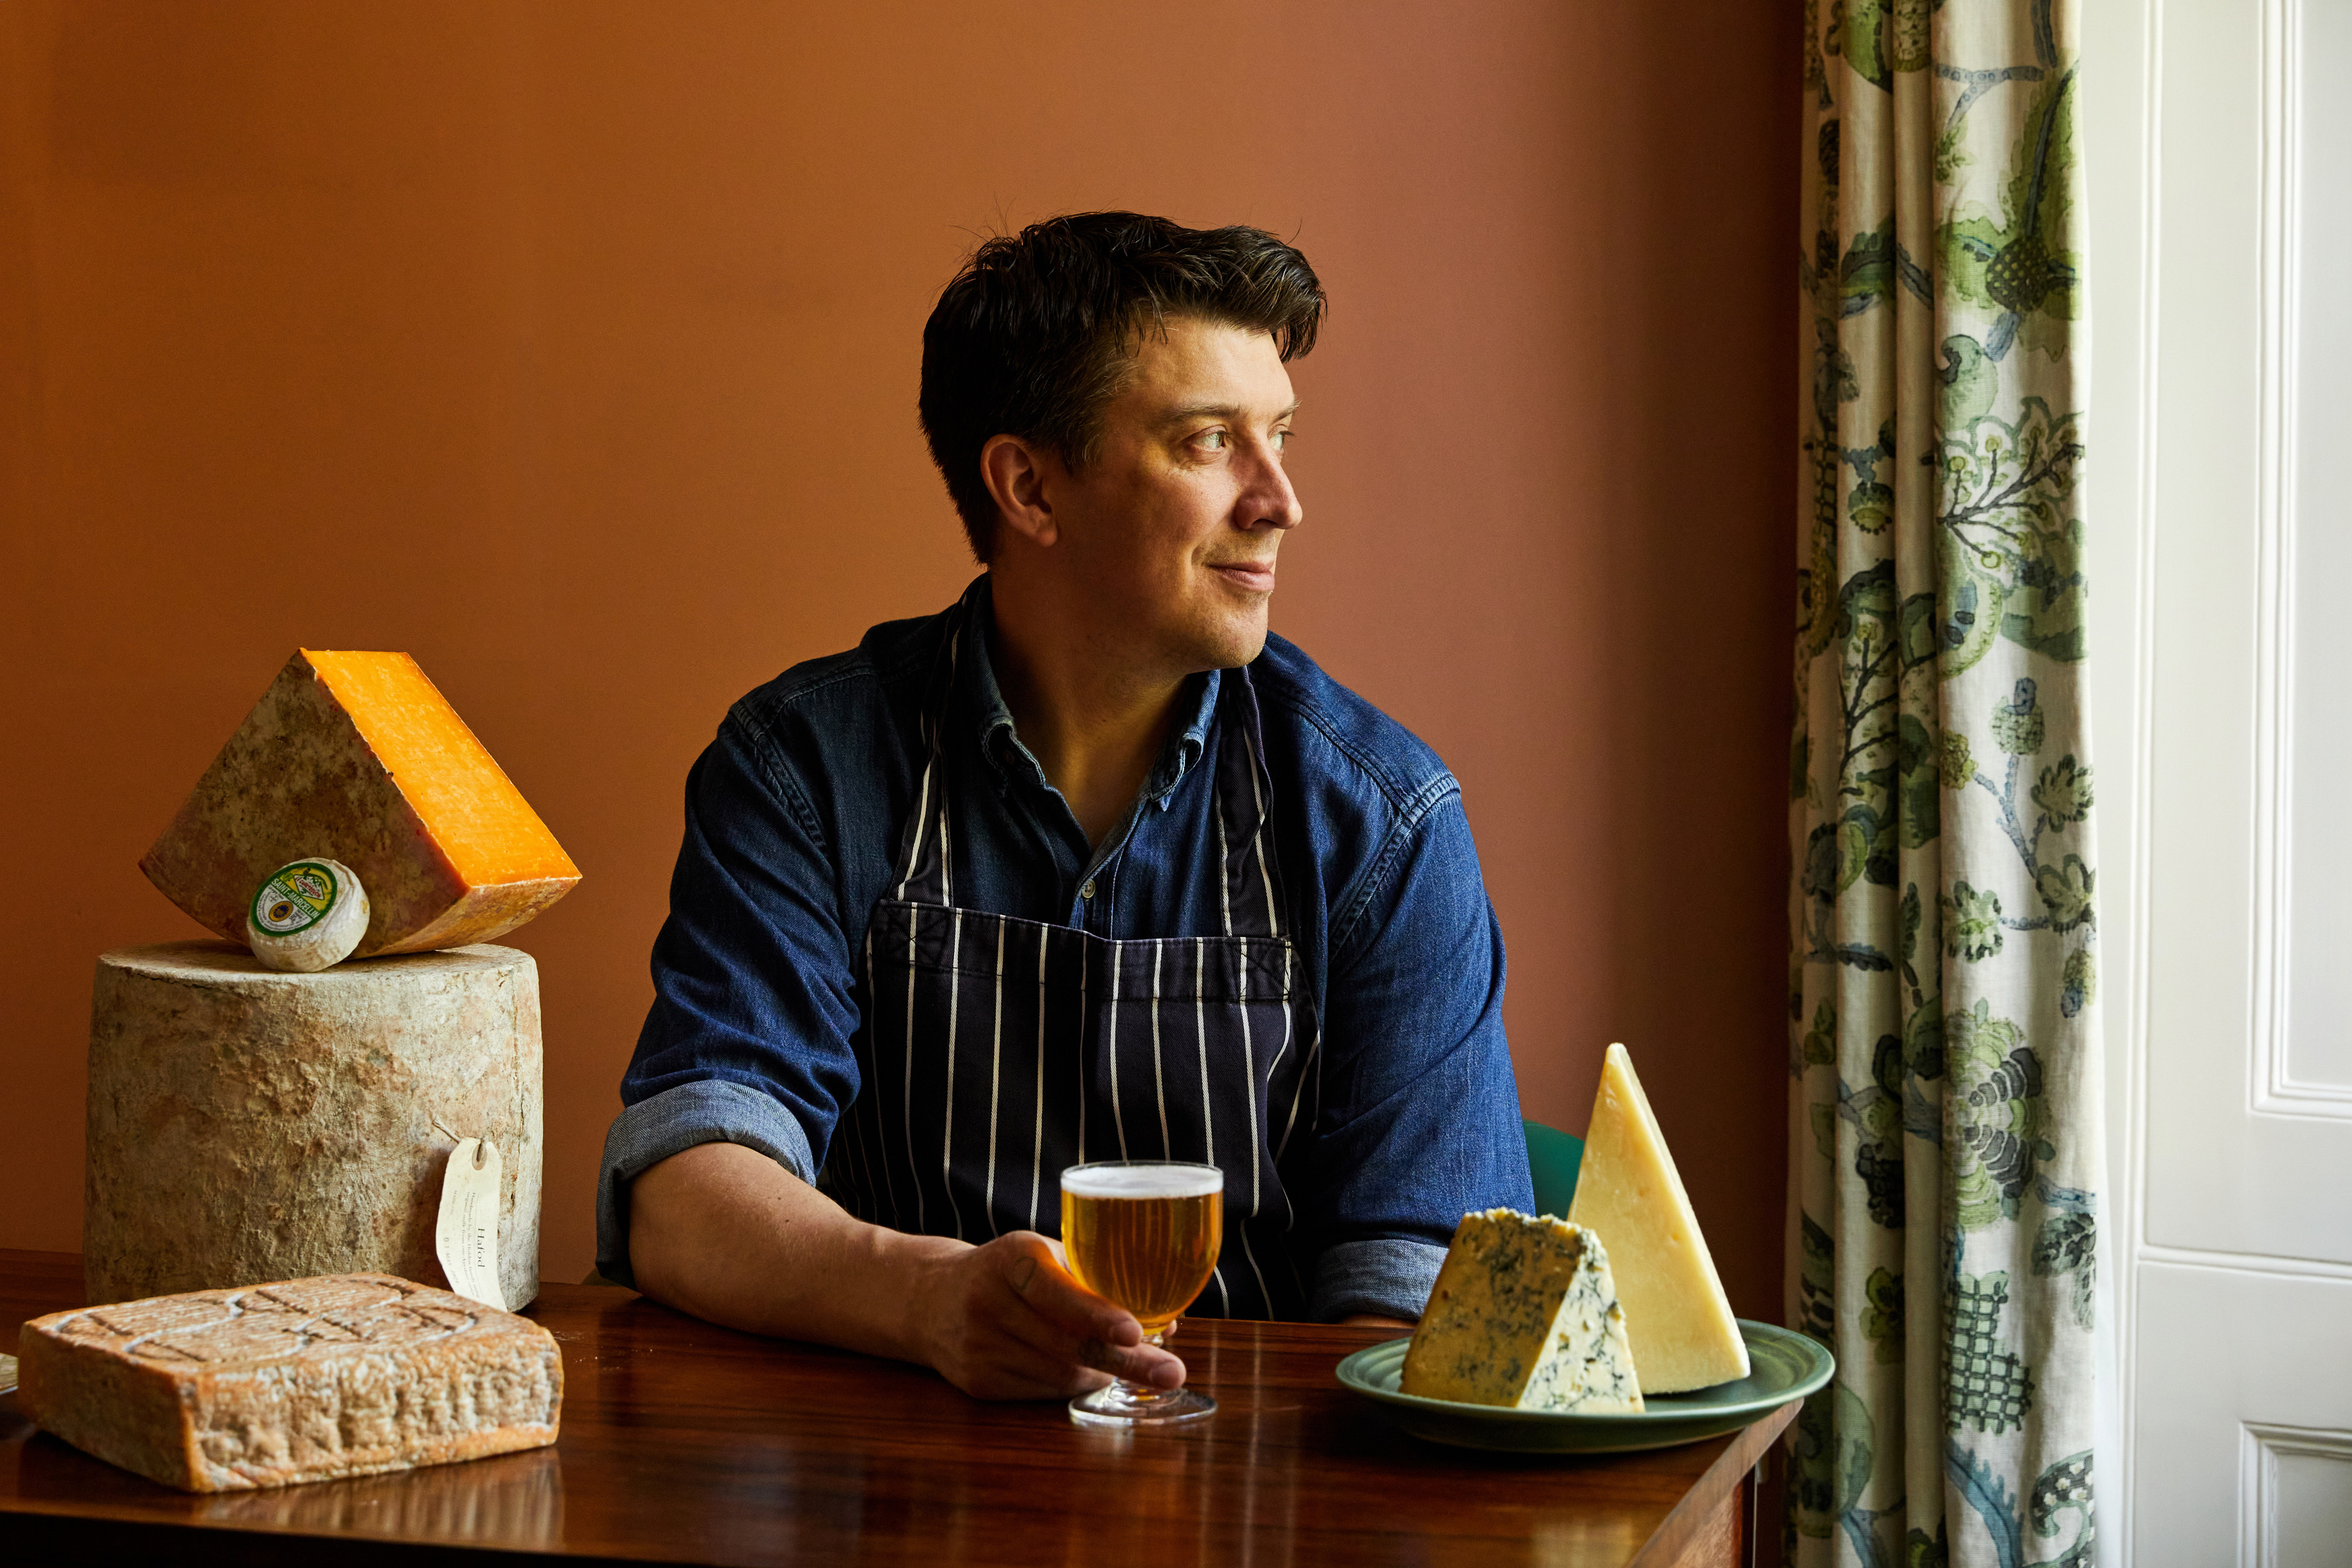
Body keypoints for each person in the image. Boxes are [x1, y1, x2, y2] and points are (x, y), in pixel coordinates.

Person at [596, 211, 1532, 1401]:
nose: (1281, 500)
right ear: (1030, 486)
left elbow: (1419, 1290)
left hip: (1246, 1496)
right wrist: (927, 1302)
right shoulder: (807, 768)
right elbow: (687, 1183)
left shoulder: (1383, 818)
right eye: (1209, 443)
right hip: (887, 1476)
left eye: (1282, 436)